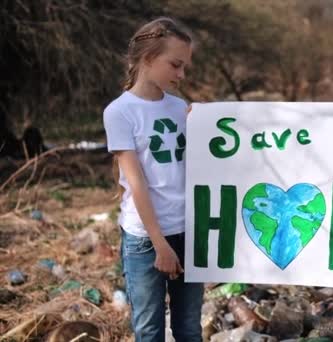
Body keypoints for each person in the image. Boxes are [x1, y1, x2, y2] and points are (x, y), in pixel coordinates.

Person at [103, 17, 202, 341]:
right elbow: (136, 182)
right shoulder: (120, 112)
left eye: (184, 66)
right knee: (149, 330)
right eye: (175, 64)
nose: (181, 75)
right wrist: (160, 244)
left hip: (187, 231)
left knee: (189, 327)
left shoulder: (179, 108)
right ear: (147, 59)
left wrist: (205, 126)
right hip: (146, 240)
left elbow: (197, 166)